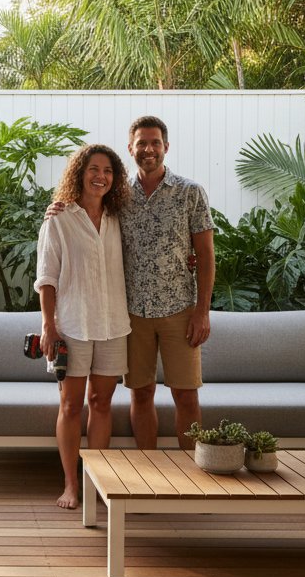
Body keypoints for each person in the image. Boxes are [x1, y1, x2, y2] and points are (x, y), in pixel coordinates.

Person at [45, 115, 214, 450]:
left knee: (186, 394)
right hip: (131, 313)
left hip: (179, 309)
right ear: (131, 149)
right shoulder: (119, 197)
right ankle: (147, 475)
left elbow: (206, 257)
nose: (148, 149)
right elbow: (84, 211)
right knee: (141, 393)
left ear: (166, 147)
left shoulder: (189, 192)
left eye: (155, 143)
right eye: (142, 144)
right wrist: (57, 206)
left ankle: (194, 477)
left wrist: (202, 312)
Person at [34, 144, 131, 509]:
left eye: (107, 170)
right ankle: (71, 484)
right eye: (93, 168)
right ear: (80, 173)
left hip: (112, 325)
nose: (100, 176)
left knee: (101, 403)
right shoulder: (58, 219)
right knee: (71, 406)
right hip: (71, 325)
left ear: (114, 178)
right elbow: (47, 279)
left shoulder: (120, 218)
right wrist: (48, 325)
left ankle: (97, 483)